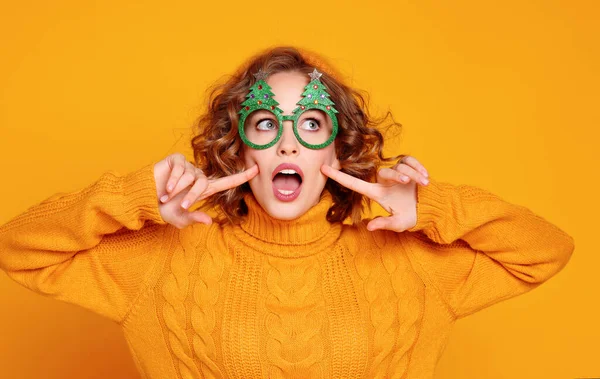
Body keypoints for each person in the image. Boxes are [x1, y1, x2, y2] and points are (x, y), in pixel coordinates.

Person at [0, 46, 575, 379]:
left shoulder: (413, 261)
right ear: (240, 142)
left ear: (337, 146)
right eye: (267, 123)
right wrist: (133, 196)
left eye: (312, 124)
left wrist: (431, 206)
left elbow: (546, 250)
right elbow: (17, 248)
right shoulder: (162, 256)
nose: (289, 145)